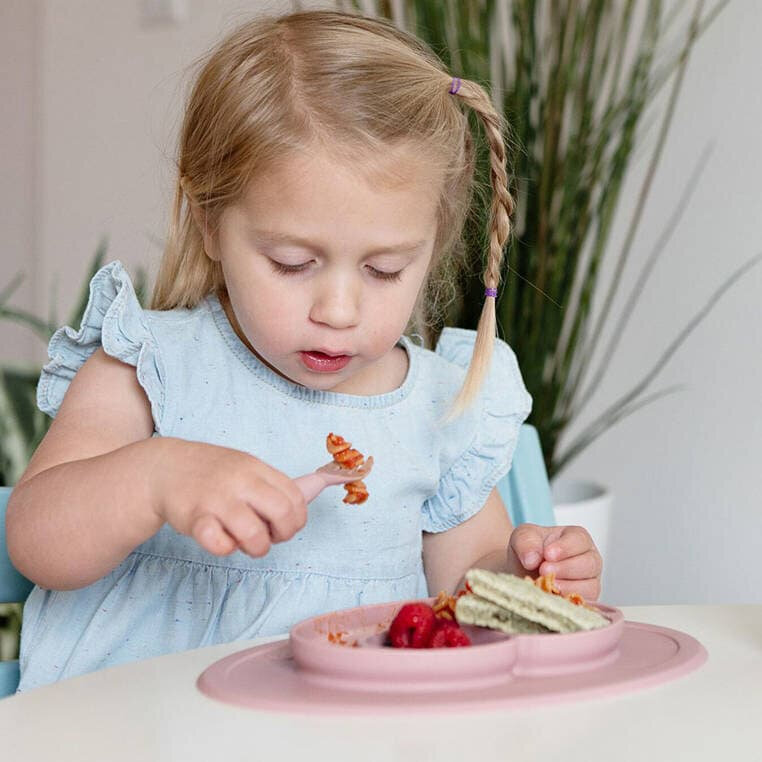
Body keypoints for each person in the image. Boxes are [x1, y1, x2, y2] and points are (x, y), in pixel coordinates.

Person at [6, 9, 602, 692]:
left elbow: (467, 589)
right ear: (208, 222)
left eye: (383, 271)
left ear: (431, 249)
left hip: (355, 733)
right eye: (292, 262)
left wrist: (522, 578)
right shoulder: (150, 370)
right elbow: (35, 540)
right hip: (146, 730)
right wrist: (153, 477)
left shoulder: (439, 406)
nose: (338, 311)